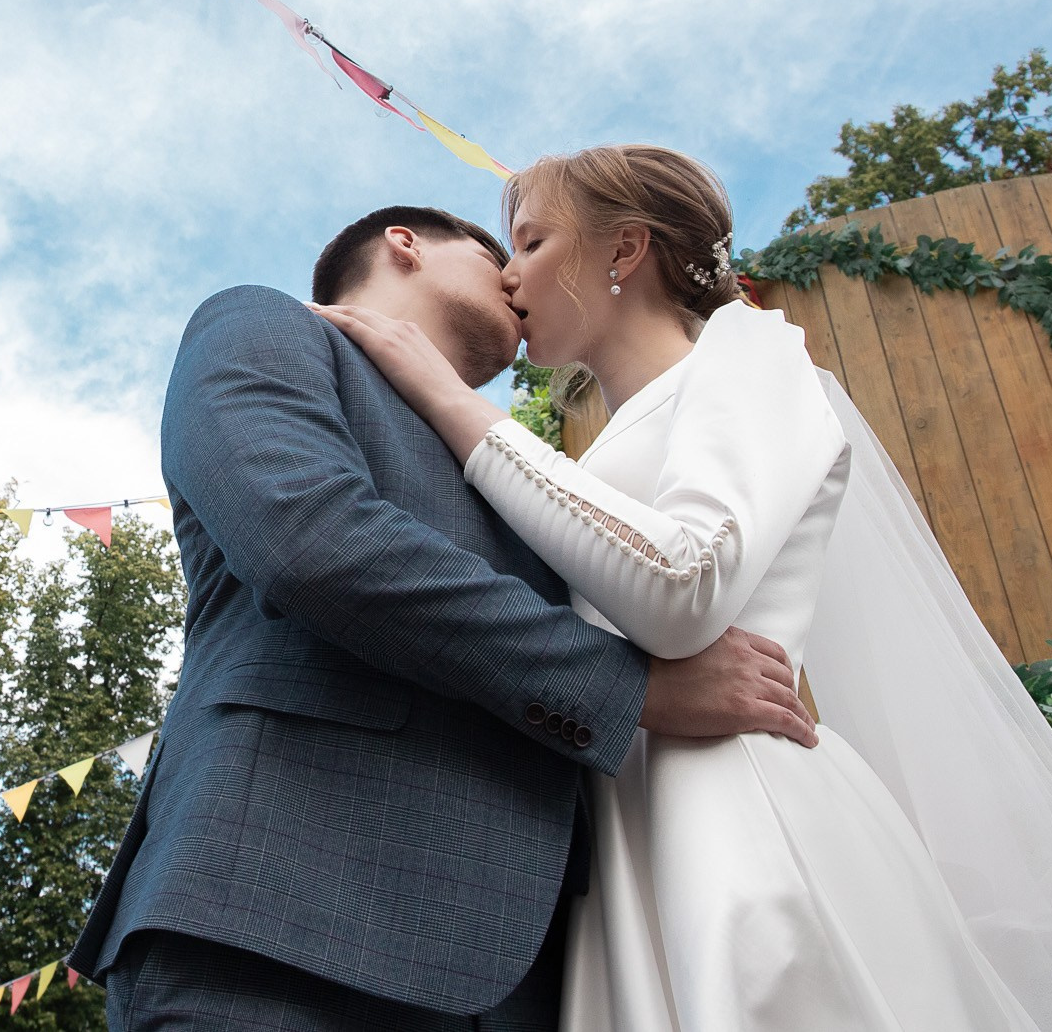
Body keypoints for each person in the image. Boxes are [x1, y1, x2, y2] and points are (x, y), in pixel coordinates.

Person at [312, 144, 1052, 1031]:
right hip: (628, 849)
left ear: (623, 249)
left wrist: (450, 400)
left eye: (530, 241)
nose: (508, 273)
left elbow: (684, 585)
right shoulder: (586, 457)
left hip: (745, 822)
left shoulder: (754, 352)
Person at [70, 204, 819, 1031]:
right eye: (503, 252)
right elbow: (310, 540)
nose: (518, 279)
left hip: (535, 978)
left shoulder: (516, 464)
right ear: (405, 244)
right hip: (277, 925)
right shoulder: (267, 325)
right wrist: (632, 690)